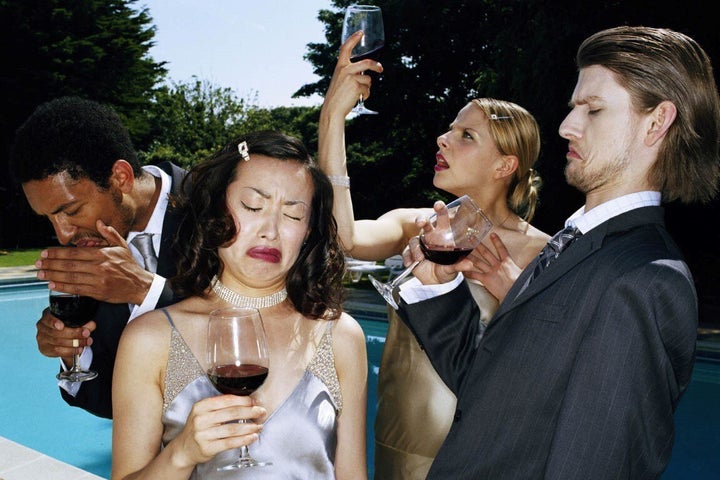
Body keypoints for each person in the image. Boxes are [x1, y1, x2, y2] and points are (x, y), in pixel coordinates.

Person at [396, 26, 720, 479]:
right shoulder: (572, 248)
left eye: (594, 109)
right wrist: (439, 290)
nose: (568, 125)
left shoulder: (645, 280)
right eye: (573, 108)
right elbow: (490, 393)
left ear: (657, 122)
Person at [319, 32, 550, 479]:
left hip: (480, 454)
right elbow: (342, 236)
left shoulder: (543, 253)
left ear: (505, 165)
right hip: (396, 444)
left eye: (466, 135)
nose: (442, 139)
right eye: (450, 129)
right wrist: (333, 118)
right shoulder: (415, 224)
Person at [111, 131, 368, 479]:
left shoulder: (341, 335)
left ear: (308, 231)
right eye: (252, 206)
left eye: (293, 215)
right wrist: (181, 454)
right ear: (216, 209)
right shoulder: (149, 339)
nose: (271, 230)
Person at [8, 96, 187, 419]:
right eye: (48, 219)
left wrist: (147, 292)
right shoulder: (93, 256)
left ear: (121, 177)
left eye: (71, 211)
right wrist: (74, 353)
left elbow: (261, 335)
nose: (63, 235)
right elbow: (110, 404)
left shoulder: (221, 206)